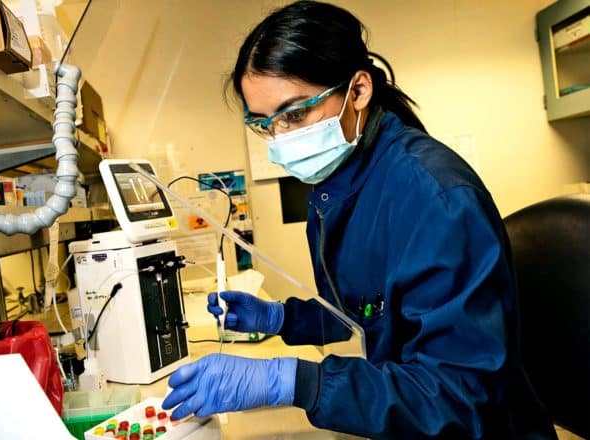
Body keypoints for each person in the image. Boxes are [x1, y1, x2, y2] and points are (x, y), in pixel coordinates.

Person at [161, 1, 558, 438]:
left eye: (294, 115)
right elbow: (371, 316)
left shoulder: (434, 199)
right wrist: (282, 320)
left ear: (359, 91)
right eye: (265, 124)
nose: (279, 139)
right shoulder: (339, 185)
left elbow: (461, 397)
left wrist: (295, 382)